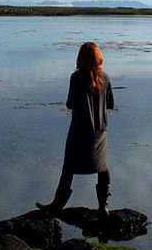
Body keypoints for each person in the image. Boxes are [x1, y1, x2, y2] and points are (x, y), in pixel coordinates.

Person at [36, 41, 114, 221]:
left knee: (69, 167)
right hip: (100, 131)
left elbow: (71, 104)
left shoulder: (76, 78)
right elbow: (109, 104)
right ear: (98, 58)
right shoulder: (107, 78)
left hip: (79, 129)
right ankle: (104, 207)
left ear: (81, 58)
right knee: (102, 168)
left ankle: (56, 206)